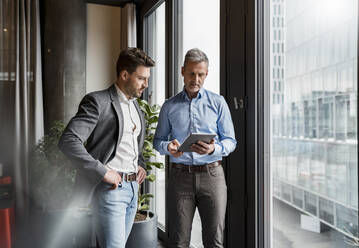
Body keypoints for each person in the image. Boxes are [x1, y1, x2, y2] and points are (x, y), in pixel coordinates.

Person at [58, 47, 155, 248]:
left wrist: (141, 164)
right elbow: (68, 140)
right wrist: (103, 171)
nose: (146, 84)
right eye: (141, 78)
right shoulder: (98, 101)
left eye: (147, 78)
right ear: (124, 74)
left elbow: (132, 144)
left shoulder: (136, 106)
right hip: (111, 190)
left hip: (132, 190)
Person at [153, 48, 237, 248]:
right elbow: (158, 141)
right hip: (179, 178)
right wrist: (169, 147)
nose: (195, 78)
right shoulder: (169, 106)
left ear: (206, 74)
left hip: (212, 175)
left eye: (200, 74)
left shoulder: (218, 103)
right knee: (178, 241)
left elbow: (231, 141)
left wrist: (213, 149)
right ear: (182, 71)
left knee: (214, 241)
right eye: (191, 73)